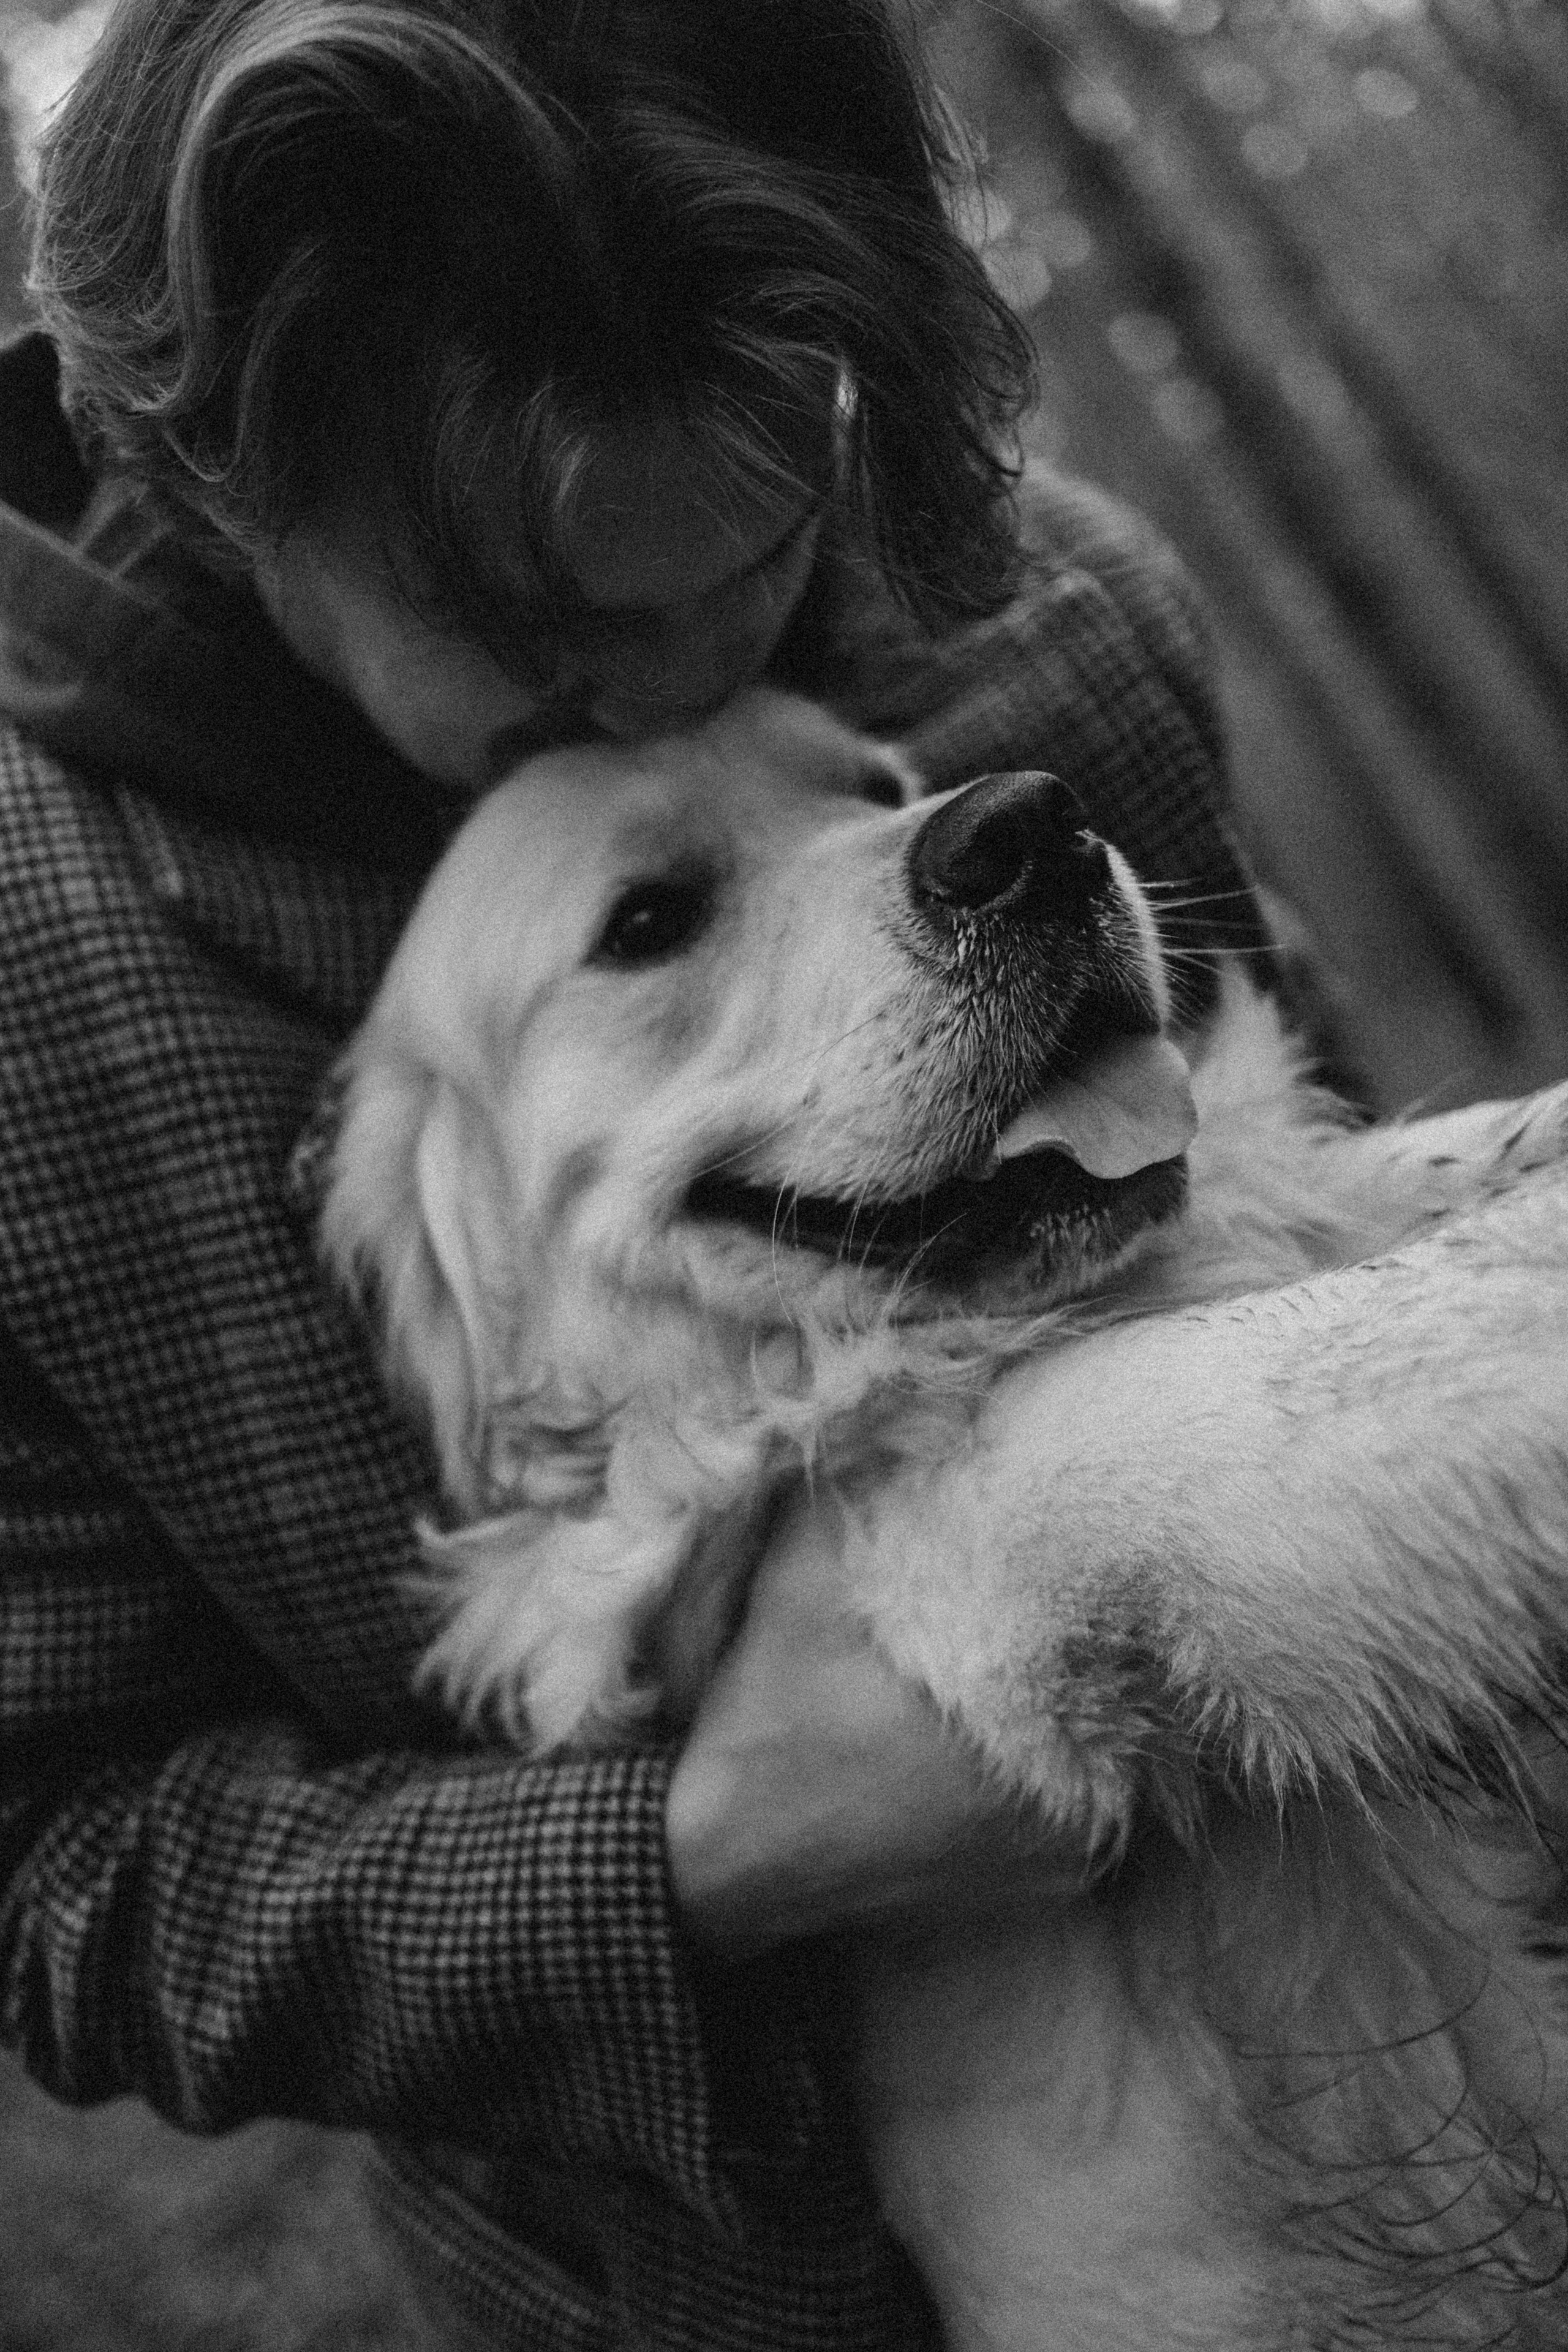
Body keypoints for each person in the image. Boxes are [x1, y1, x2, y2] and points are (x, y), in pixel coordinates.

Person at [0, 0, 1270, 2341]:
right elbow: (55, 1872)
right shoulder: (24, 988)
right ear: (209, 498)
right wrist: (694, 1859)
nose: (700, 668)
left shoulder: (1070, 626)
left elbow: (1289, 1210)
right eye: (559, 642)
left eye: (766, 533)